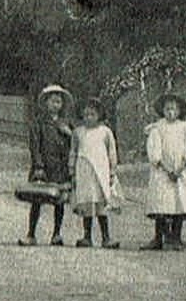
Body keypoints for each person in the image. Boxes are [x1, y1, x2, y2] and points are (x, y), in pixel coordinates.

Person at [142, 92, 186, 250]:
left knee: (178, 205)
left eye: (174, 109)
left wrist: (180, 169)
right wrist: (166, 168)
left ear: (179, 111)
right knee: (161, 205)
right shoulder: (157, 128)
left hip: (180, 172)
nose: (170, 112)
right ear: (162, 110)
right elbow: (154, 151)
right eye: (167, 109)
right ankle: (158, 238)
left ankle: (176, 238)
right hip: (162, 172)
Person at [19, 84, 74, 246]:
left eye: (58, 102)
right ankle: (31, 234)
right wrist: (38, 165)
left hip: (60, 167)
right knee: (37, 199)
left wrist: (69, 134)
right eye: (52, 102)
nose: (56, 105)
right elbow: (34, 145)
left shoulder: (66, 124)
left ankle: (56, 234)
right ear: (45, 103)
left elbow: (75, 144)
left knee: (59, 201)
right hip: (43, 166)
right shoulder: (38, 123)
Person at [69, 97, 119, 248]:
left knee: (100, 202)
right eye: (86, 115)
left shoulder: (105, 132)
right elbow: (73, 151)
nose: (89, 118)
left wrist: (112, 171)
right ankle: (86, 237)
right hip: (84, 170)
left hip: (101, 171)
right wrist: (72, 170)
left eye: (92, 114)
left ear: (99, 115)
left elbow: (112, 152)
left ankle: (106, 237)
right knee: (87, 202)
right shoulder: (78, 132)